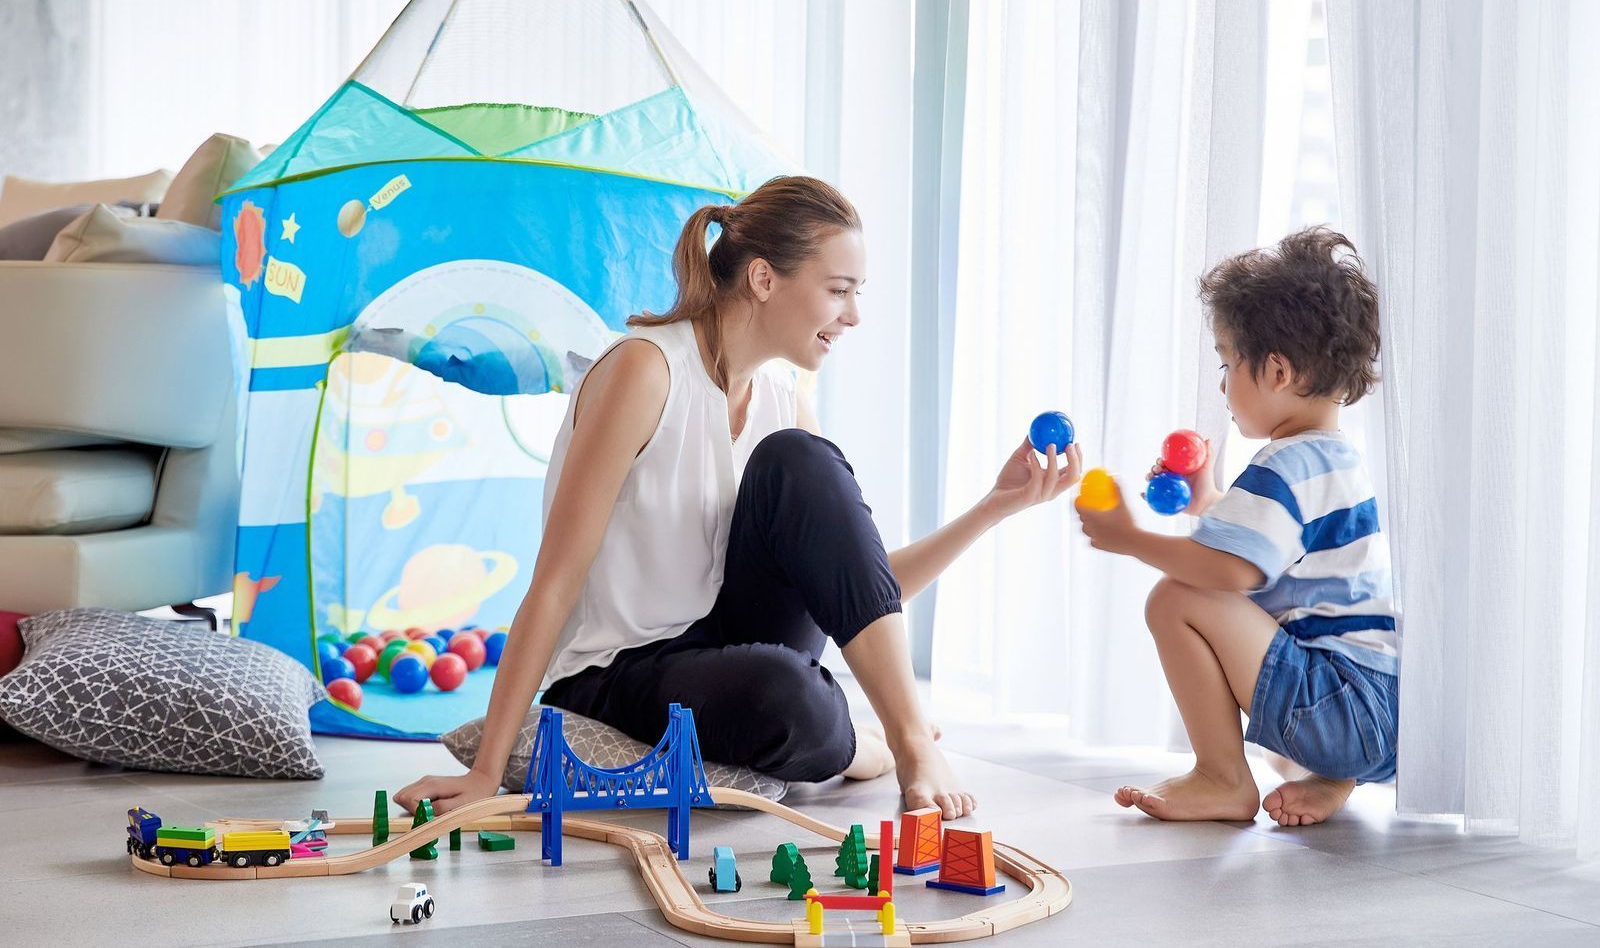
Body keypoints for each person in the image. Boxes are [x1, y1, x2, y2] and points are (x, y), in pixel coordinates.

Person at [397, 175, 1081, 819]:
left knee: (800, 459)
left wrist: (995, 505)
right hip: (619, 673)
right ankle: (865, 746)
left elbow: (856, 590)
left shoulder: (786, 400)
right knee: (792, 699)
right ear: (762, 278)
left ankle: (909, 745)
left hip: (729, 644)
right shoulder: (646, 371)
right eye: (840, 290)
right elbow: (554, 581)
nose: (854, 316)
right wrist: (487, 773)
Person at [1076, 228, 1396, 826]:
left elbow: (1230, 569)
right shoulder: (1333, 458)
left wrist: (1128, 538)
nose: (1223, 385)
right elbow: (1276, 554)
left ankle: (1221, 778)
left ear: (1276, 370)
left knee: (1176, 597)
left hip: (1339, 708)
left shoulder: (1286, 461)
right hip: (1380, 713)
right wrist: (1210, 503)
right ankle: (1329, 778)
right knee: (1275, 629)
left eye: (1227, 363)